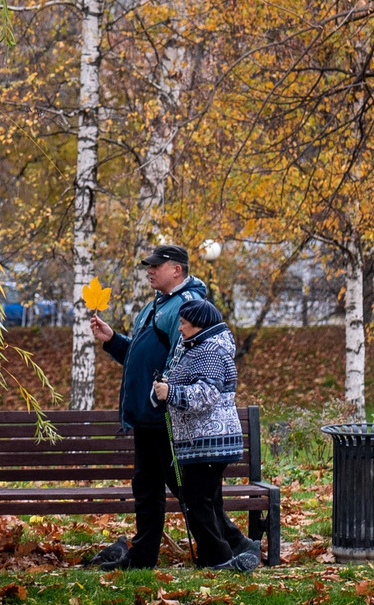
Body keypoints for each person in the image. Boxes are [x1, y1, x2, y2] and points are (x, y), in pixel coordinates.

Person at [84, 245, 212, 570]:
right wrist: (112, 339)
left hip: (166, 416)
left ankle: (222, 548)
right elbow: (138, 357)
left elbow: (181, 361)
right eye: (149, 265)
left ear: (177, 270)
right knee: (145, 488)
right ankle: (142, 558)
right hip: (146, 417)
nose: (150, 270)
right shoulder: (155, 306)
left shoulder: (186, 305)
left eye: (157, 265)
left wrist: (164, 397)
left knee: (183, 489)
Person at [155, 298, 259, 572]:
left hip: (210, 441)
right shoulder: (197, 347)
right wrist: (166, 386)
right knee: (207, 500)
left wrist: (172, 393)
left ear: (199, 325)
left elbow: (207, 394)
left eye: (184, 324)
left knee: (196, 500)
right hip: (201, 441)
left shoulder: (210, 350)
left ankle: (219, 557)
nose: (179, 329)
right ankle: (234, 548)